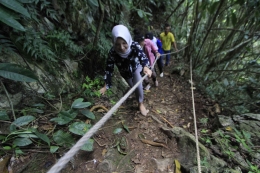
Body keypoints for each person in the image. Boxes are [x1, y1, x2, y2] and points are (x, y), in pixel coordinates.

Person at [99, 25, 152, 116]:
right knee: (133, 87)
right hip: (125, 73)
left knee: (137, 83)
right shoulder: (113, 52)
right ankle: (139, 96)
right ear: (114, 43)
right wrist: (105, 86)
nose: (122, 47)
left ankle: (140, 104)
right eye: (118, 44)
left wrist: (145, 67)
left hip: (136, 67)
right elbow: (109, 69)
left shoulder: (134, 45)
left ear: (128, 39)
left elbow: (142, 56)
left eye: (124, 43)